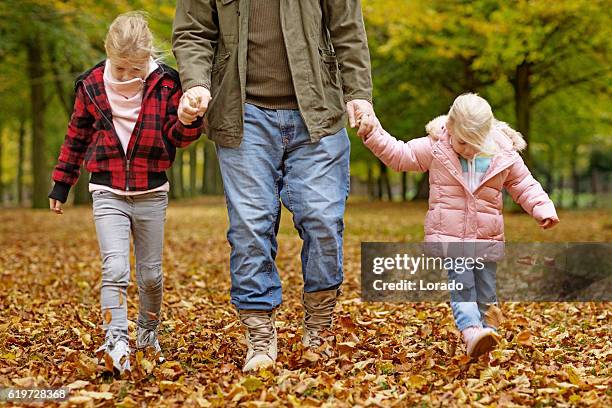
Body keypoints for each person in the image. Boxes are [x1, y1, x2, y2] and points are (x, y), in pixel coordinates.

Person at [172, 0, 378, 371]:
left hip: (318, 111)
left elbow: (347, 28)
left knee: (323, 219)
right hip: (242, 113)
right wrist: (197, 84)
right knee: (250, 225)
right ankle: (260, 333)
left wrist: (358, 92)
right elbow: (192, 32)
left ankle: (319, 325)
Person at [48, 12, 203, 375]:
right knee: (115, 268)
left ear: (148, 57)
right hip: (107, 190)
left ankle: (148, 333)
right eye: (120, 68)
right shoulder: (91, 85)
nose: (127, 76)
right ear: (108, 53)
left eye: (135, 69)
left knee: (151, 275)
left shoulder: (166, 84)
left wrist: (185, 120)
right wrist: (62, 182)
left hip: (151, 192)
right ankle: (115, 339)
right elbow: (76, 137)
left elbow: (179, 139)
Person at [358, 93, 559, 358]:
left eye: (476, 143)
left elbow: (524, 183)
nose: (469, 149)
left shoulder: (503, 152)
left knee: (486, 290)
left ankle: (488, 333)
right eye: (463, 142)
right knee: (463, 285)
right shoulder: (436, 147)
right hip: (451, 236)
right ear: (450, 128)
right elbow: (400, 155)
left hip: (487, 236)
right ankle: (471, 331)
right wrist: (373, 132)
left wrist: (542, 208)